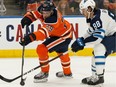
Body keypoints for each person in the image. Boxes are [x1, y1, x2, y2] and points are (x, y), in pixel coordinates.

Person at [20, 0, 73, 83]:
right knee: (62, 52)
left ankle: (44, 73)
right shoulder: (44, 9)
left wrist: (29, 38)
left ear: (52, 11)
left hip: (63, 37)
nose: (44, 15)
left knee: (41, 49)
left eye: (47, 13)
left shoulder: (53, 20)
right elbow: (35, 14)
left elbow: (43, 33)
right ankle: (67, 73)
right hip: (65, 32)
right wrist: (28, 18)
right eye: (43, 12)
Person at [71, 0, 116, 86]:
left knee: (99, 48)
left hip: (114, 36)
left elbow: (97, 38)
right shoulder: (93, 16)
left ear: (89, 9)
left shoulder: (97, 18)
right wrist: (81, 39)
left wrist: (82, 43)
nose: (82, 13)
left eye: (83, 10)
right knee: (95, 53)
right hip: (111, 35)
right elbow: (91, 31)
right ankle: (95, 76)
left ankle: (99, 78)